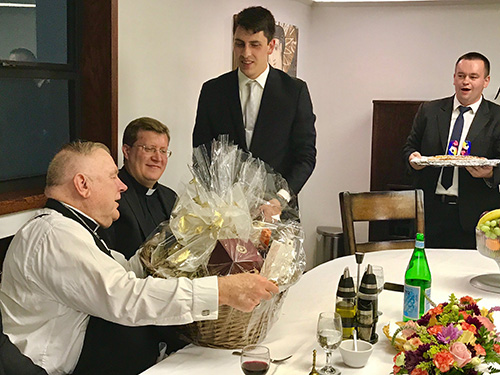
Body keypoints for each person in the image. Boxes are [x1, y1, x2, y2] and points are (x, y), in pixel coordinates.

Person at [0, 141, 279, 375]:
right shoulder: (55, 235)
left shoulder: (70, 228)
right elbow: (127, 297)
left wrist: (185, 236)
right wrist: (223, 291)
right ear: (82, 184)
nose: (121, 186)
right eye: (112, 177)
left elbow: (127, 269)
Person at [192, 6, 316, 215]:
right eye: (239, 44)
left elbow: (306, 156)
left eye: (255, 45)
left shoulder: (294, 92)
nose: (246, 53)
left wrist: (281, 198)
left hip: (279, 212)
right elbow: (201, 153)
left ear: (271, 46)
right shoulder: (212, 91)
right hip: (224, 214)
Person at [403, 52, 500, 249]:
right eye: (461, 75)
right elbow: (409, 148)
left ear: (486, 81)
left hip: (474, 216)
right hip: (430, 212)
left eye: (473, 77)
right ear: (454, 78)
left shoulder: (497, 117)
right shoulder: (429, 111)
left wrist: (491, 173)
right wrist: (412, 159)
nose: (466, 82)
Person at [99, 117, 177, 259]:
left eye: (163, 151)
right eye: (149, 149)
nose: (158, 158)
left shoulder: (171, 197)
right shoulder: (109, 195)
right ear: (127, 151)